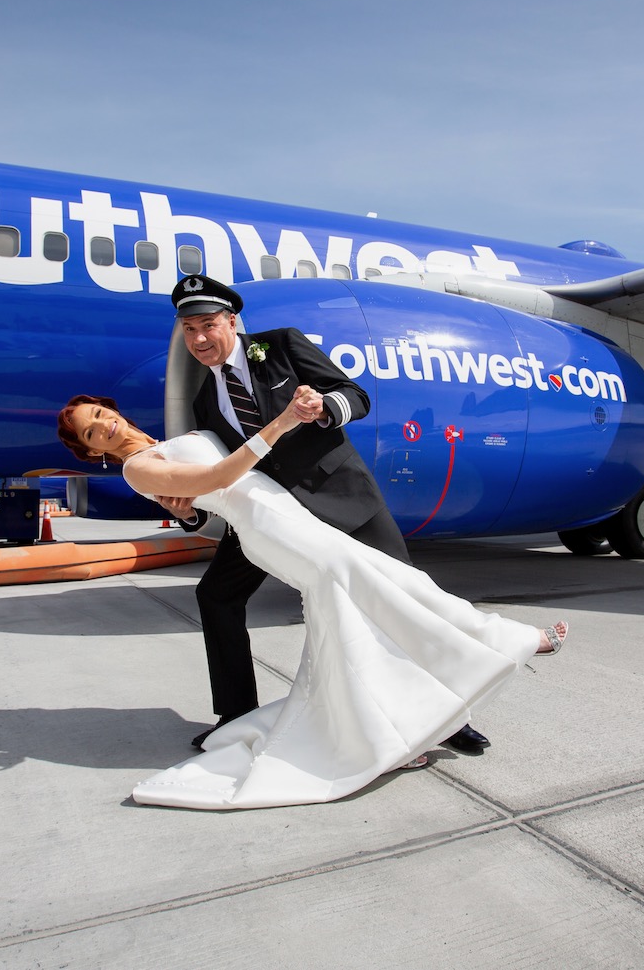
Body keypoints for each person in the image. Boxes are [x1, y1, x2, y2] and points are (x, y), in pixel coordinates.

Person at [56, 393, 568, 810]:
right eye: (93, 431)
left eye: (101, 413)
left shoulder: (170, 438)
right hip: (270, 529)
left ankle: (400, 721)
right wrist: (279, 424)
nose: (106, 425)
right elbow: (214, 480)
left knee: (375, 592)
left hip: (290, 514)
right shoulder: (138, 468)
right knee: (372, 590)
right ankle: (506, 642)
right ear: (92, 450)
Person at [157, 274, 493, 758]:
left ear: (231, 321)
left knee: (405, 598)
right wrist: (188, 513)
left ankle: (447, 719)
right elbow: (218, 476)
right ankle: (236, 714)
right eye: (190, 330)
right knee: (215, 595)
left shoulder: (281, 346)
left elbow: (355, 395)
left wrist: (323, 407)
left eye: (209, 325)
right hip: (275, 515)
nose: (201, 339)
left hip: (340, 494)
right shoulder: (204, 402)